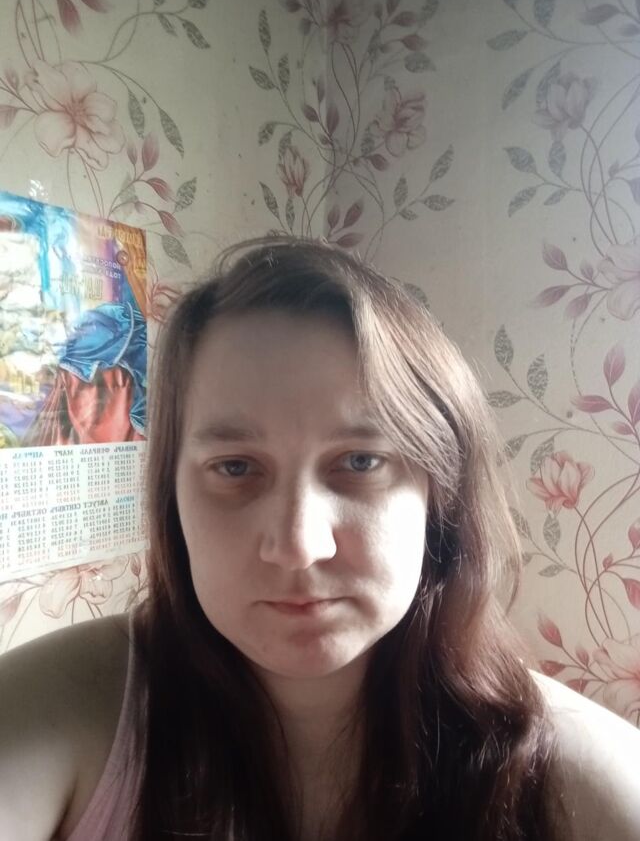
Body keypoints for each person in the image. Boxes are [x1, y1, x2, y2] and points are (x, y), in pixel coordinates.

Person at [1, 236, 639, 841]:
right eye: (235, 467)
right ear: (173, 498)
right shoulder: (64, 707)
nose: (299, 546)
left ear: (439, 495)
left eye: (360, 461)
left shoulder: (570, 774)